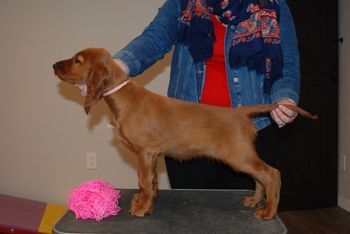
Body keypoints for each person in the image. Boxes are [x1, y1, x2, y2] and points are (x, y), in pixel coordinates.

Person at [96, 0, 300, 189]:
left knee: (245, 220)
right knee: (189, 215)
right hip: (185, 130)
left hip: (247, 128)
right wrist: (111, 71)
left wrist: (285, 96)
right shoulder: (183, 2)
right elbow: (154, 39)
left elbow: (287, 61)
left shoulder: (273, 4)